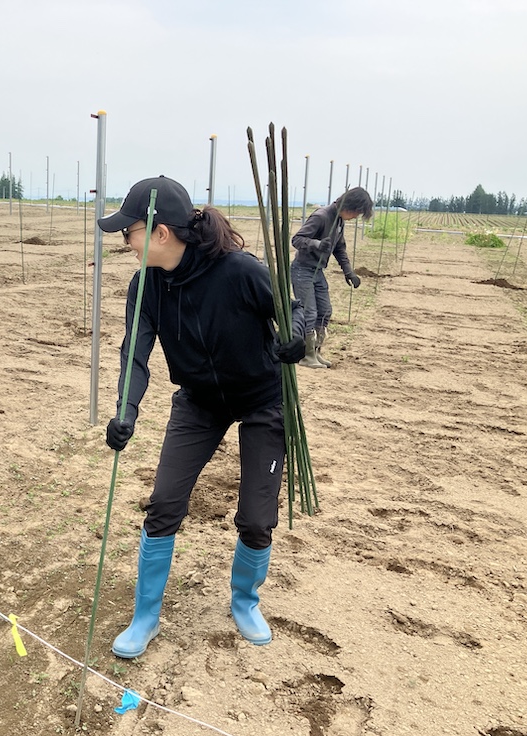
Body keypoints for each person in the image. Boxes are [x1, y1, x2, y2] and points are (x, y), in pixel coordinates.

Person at [97, 175, 307, 658]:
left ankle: (245, 601)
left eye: (128, 232)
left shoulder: (240, 270)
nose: (125, 242)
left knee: (257, 518)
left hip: (261, 399)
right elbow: (135, 354)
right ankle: (146, 616)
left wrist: (296, 336)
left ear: (160, 233)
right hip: (199, 401)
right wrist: (126, 411)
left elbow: (292, 311)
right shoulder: (145, 285)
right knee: (164, 503)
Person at [289, 187, 374, 368]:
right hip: (303, 270)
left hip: (318, 271)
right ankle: (306, 355)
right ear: (350, 206)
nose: (356, 217)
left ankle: (316, 351)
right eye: (357, 213)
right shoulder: (321, 216)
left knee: (325, 310)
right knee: (309, 312)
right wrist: (316, 244)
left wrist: (349, 271)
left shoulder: (339, 220)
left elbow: (339, 248)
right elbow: (297, 239)